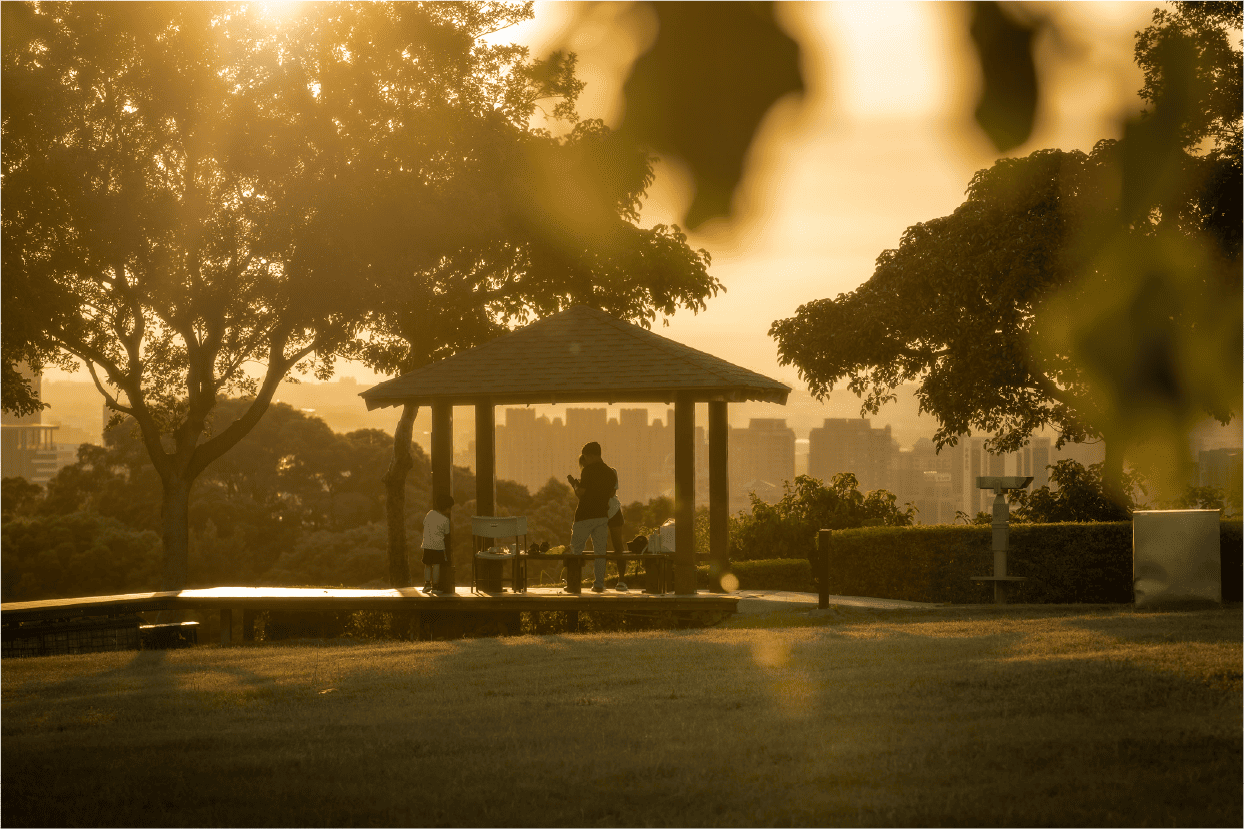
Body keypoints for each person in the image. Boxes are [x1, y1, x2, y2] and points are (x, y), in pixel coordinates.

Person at [566, 441, 616, 593]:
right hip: (602, 516)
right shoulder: (610, 472)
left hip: (585, 516)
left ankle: (574, 585)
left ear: (592, 456)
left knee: (576, 550)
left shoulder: (588, 471)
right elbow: (612, 494)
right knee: (600, 552)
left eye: (585, 457)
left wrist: (574, 485)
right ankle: (599, 584)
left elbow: (581, 493)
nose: (584, 460)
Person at [421, 493, 454, 594]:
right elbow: (446, 533)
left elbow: (424, 523)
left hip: (426, 544)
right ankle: (435, 587)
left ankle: (427, 584)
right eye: (450, 508)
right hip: (438, 546)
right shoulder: (445, 520)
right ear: (447, 508)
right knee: (436, 565)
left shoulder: (429, 513)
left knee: (427, 565)